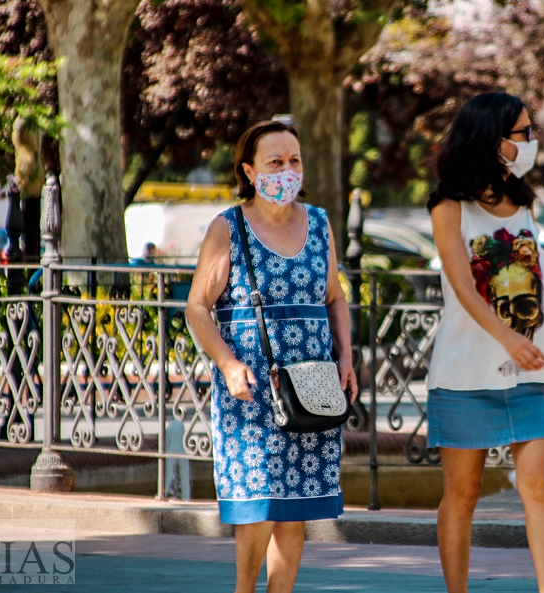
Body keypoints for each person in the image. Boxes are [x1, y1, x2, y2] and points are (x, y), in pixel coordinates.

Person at [185, 120, 358, 593]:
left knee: (295, 509)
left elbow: (334, 298)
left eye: (294, 160)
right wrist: (226, 363)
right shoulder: (228, 226)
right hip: (253, 388)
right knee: (259, 501)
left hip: (312, 383)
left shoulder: (319, 223)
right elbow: (197, 307)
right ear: (249, 169)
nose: (287, 170)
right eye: (275, 162)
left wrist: (346, 358)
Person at [426, 92, 544, 593]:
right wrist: (509, 339)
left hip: (532, 368)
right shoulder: (449, 206)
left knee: (540, 486)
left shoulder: (523, 202)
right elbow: (462, 286)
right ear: (492, 140)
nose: (531, 140)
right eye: (522, 132)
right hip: (466, 370)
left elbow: (542, 279)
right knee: (463, 493)